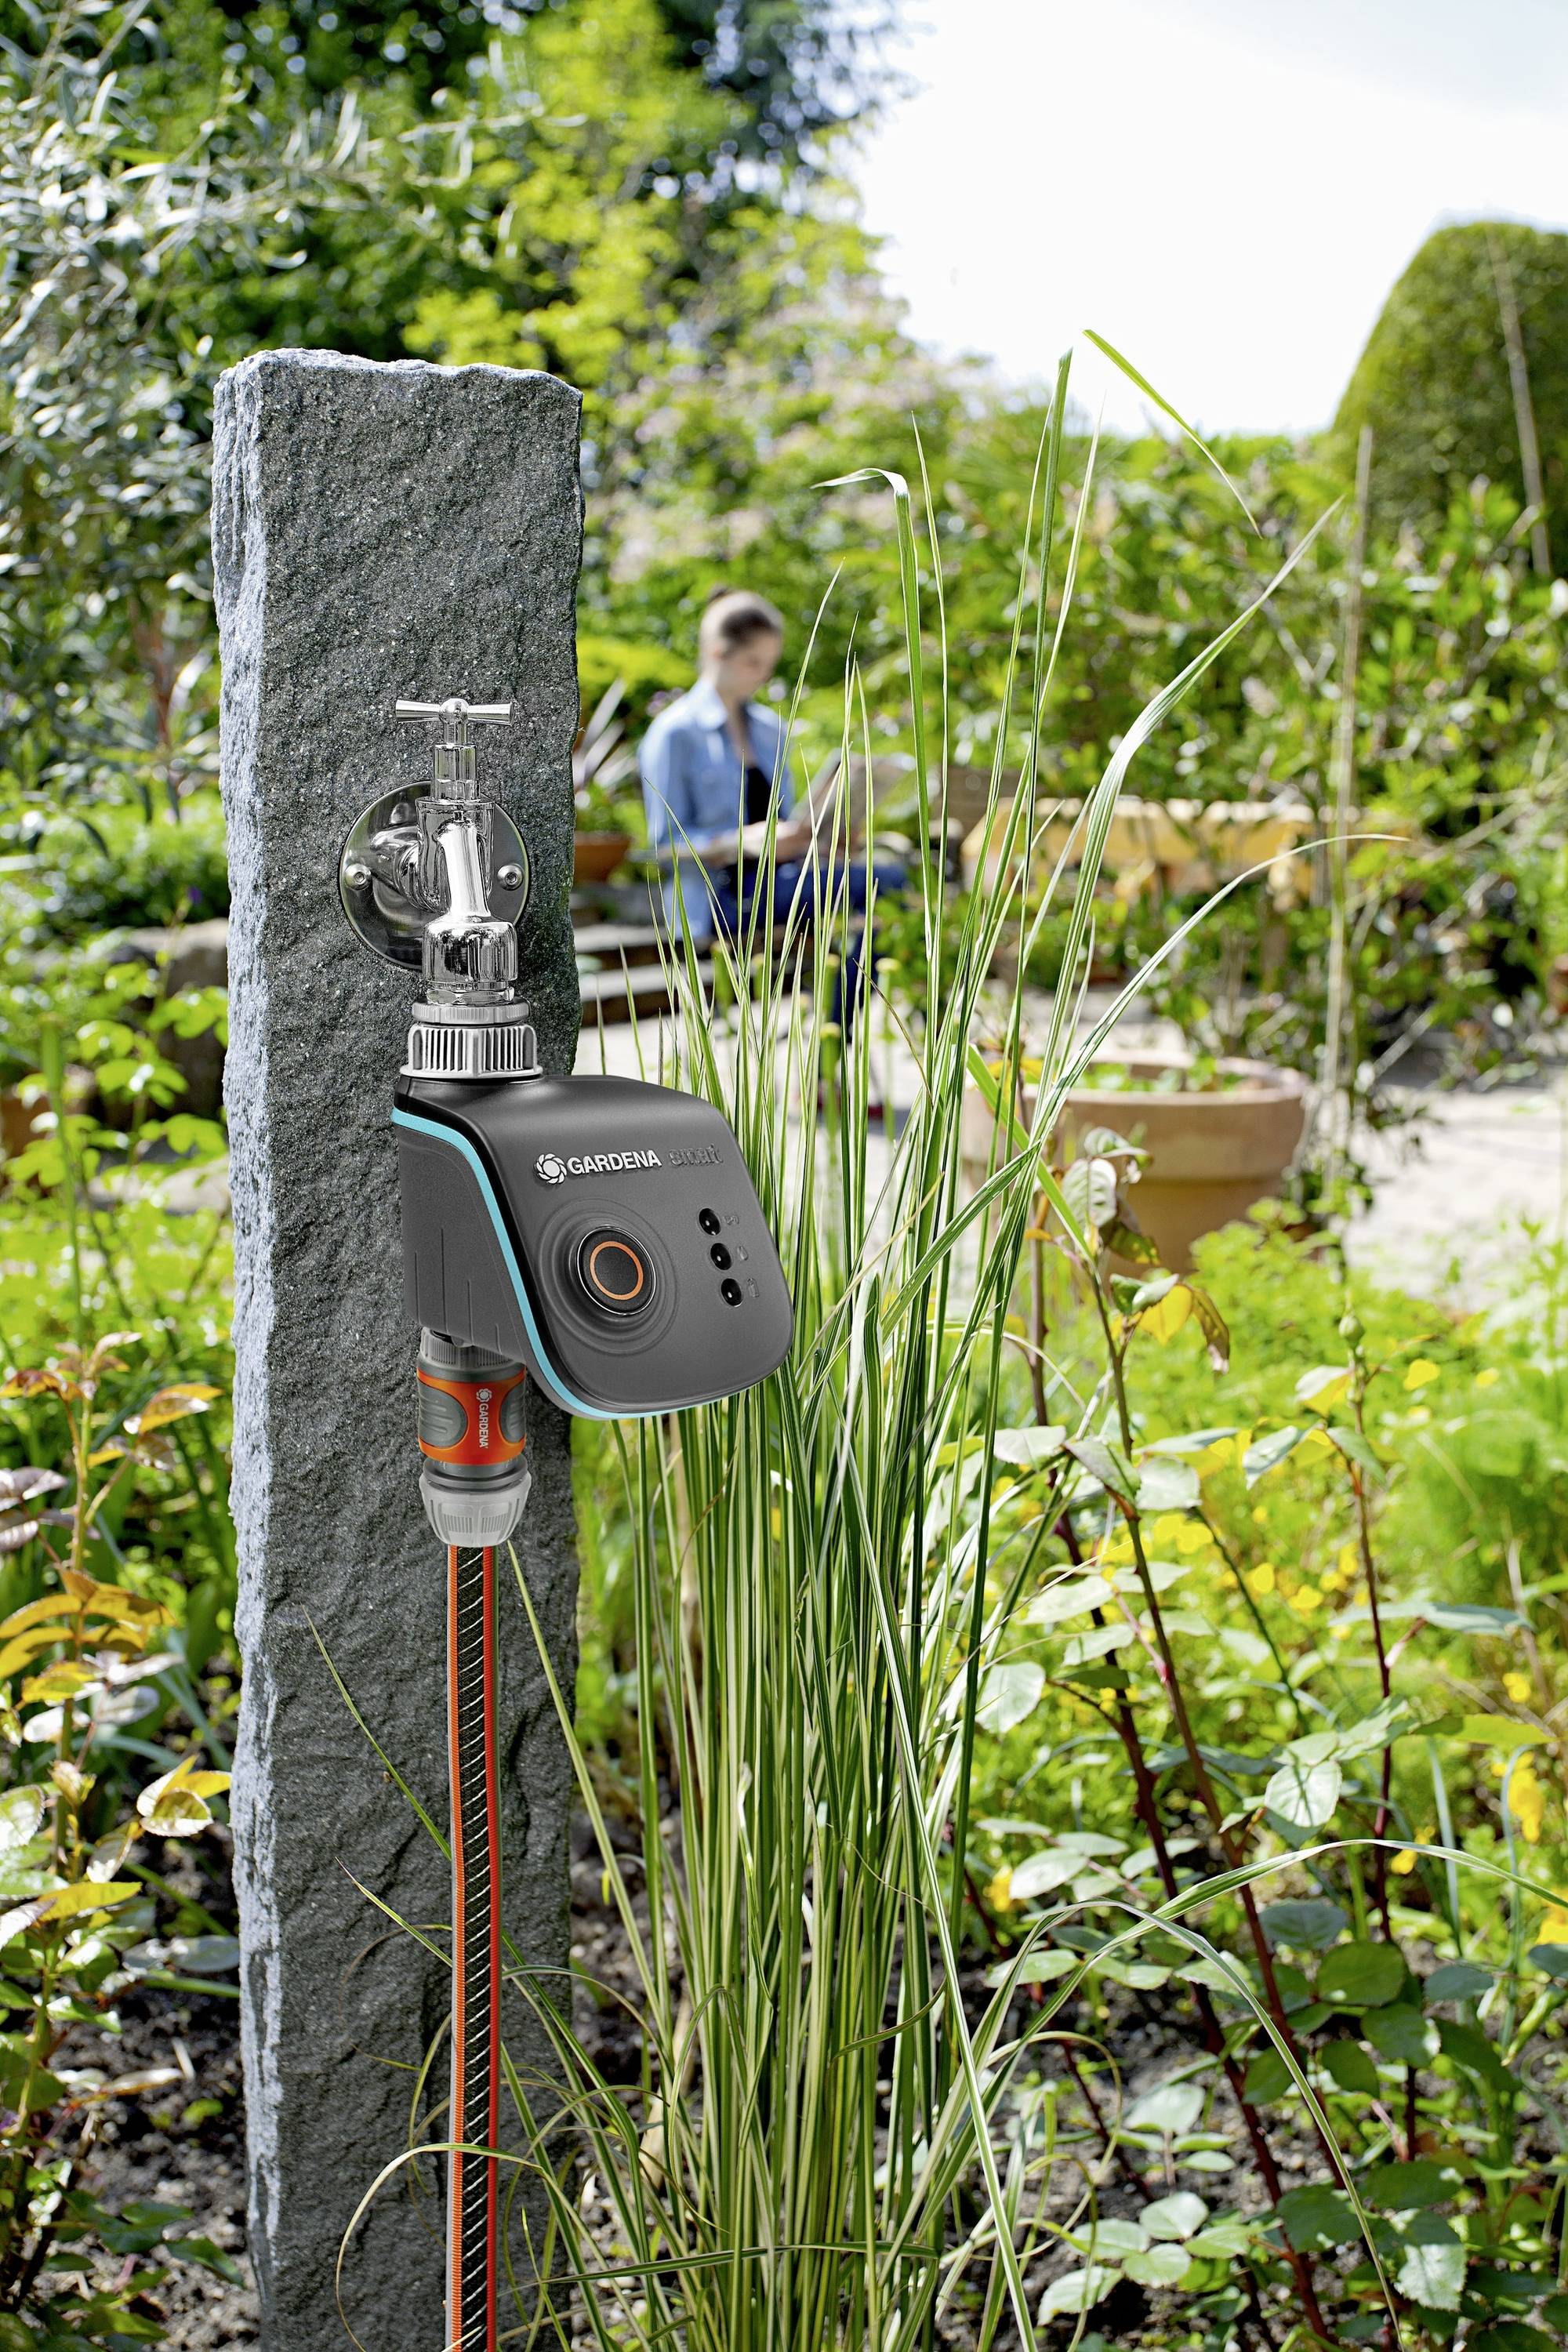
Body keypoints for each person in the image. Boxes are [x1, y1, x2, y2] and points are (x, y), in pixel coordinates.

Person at [639, 587, 904, 1040]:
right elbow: (662, 850)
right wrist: (738, 842)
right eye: (753, 663)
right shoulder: (674, 734)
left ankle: (832, 1029)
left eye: (769, 664)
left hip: (781, 881)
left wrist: (824, 838)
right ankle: (830, 1038)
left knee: (889, 881)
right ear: (718, 652)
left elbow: (789, 822)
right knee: (884, 885)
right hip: (718, 897)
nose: (763, 676)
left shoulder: (769, 729)